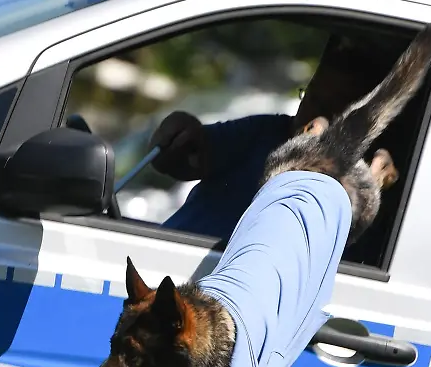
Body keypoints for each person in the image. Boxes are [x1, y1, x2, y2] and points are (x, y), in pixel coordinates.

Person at [148, 32, 400, 240]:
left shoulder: (357, 188)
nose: (315, 117)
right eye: (312, 98)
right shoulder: (267, 132)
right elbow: (182, 159)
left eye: (331, 111)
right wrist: (177, 132)